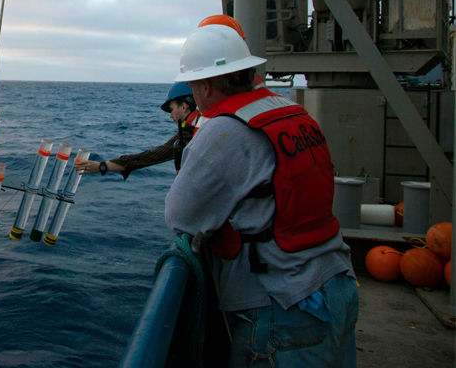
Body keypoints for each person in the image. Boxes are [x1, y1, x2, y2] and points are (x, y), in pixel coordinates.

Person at [165, 24, 357, 368]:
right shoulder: (291, 112)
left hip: (287, 307)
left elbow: (180, 215)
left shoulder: (224, 130)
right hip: (338, 284)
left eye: (193, 85)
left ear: (206, 86)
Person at [74, 82, 199, 178]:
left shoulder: (192, 133)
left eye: (171, 109)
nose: (170, 116)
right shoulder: (200, 126)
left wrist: (102, 166)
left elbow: (155, 155)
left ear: (184, 107)